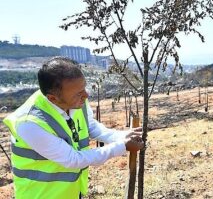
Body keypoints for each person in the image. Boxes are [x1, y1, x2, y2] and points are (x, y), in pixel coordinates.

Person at [3, 57, 144, 199]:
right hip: (41, 194)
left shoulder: (76, 98)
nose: (86, 95)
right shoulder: (30, 124)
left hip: (70, 192)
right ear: (53, 99)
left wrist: (120, 136)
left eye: (84, 88)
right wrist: (122, 146)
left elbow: (89, 126)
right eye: (79, 93)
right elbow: (72, 159)